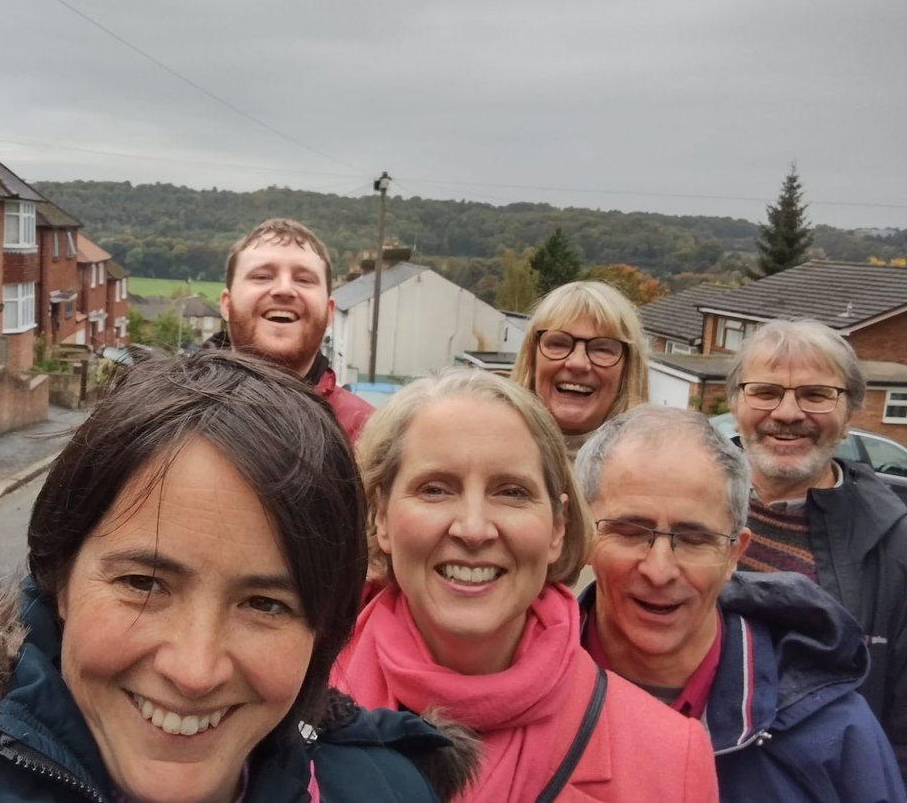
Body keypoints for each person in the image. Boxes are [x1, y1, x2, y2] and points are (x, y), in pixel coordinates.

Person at [0, 352, 475, 803]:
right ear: (60, 576)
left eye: (266, 603)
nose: (195, 667)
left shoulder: (383, 783)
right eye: (144, 583)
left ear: (324, 629)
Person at [332, 368, 717, 802]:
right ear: (381, 517)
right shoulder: (283, 704)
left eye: (512, 492)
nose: (474, 529)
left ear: (557, 526)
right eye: (436, 489)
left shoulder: (670, 757)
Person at [576, 405, 904, 801]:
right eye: (629, 532)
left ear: (735, 553)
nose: (659, 571)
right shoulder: (523, 694)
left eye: (695, 539)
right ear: (581, 536)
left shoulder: (833, 731)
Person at [727, 319, 907, 778]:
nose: (787, 413)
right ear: (735, 403)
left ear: (850, 414)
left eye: (815, 394)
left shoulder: (896, 545)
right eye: (765, 391)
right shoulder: (678, 507)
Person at [206, 217, 373, 441]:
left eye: (304, 280)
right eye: (262, 276)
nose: (284, 289)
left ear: (329, 311)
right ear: (226, 305)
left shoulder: (370, 437)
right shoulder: (171, 417)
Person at [510, 280, 649, 454]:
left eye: (602, 348)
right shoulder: (489, 449)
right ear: (531, 357)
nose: (578, 363)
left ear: (628, 369)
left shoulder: (653, 470)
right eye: (559, 343)